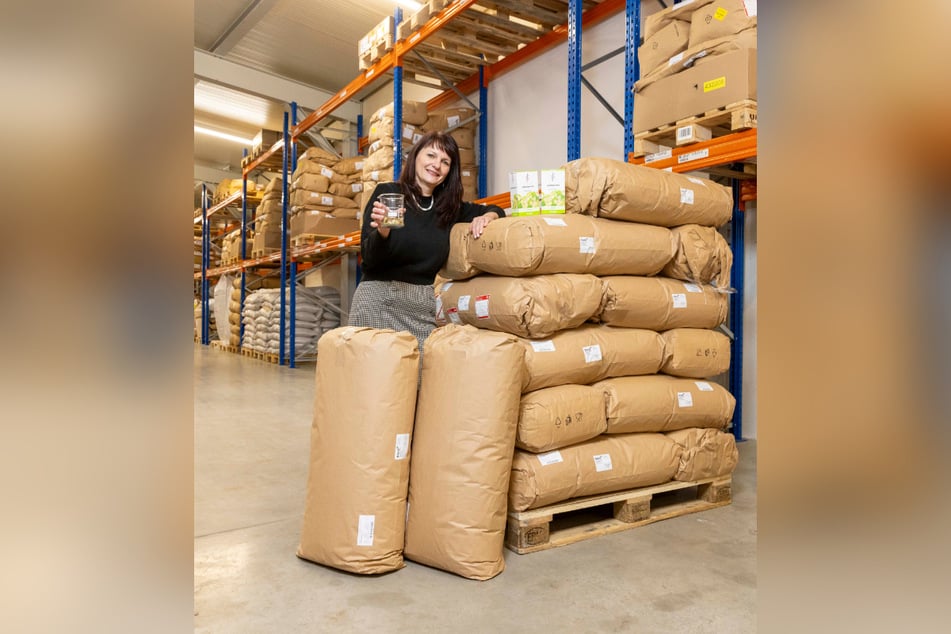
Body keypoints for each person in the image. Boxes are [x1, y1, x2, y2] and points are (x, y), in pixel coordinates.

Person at [348, 130, 505, 352]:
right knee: (374, 382)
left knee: (419, 381)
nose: (436, 165)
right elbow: (369, 260)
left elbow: (496, 208)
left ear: (449, 171)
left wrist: (487, 217)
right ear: (416, 157)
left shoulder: (448, 209)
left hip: (421, 307)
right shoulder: (389, 194)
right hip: (379, 301)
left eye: (445, 162)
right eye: (431, 156)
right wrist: (382, 233)